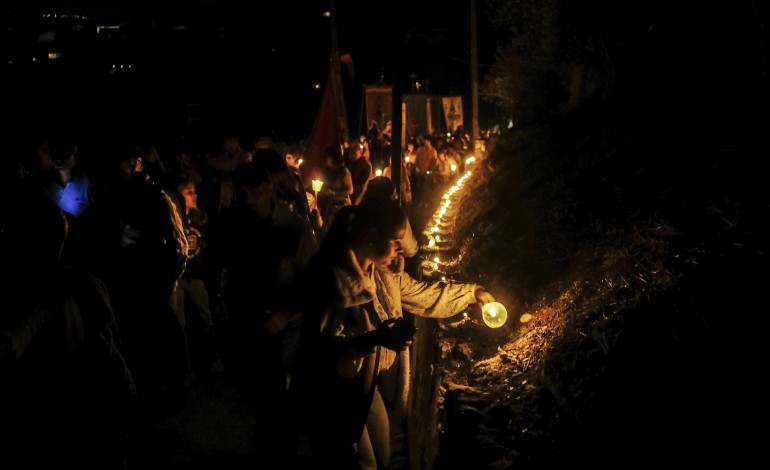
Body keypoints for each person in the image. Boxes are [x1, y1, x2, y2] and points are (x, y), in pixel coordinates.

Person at [289, 197, 496, 470]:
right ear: (372, 236)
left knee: (383, 457)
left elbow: (424, 295)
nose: (399, 251)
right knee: (359, 463)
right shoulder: (331, 280)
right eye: (395, 242)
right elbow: (320, 351)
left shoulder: (380, 277)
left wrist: (473, 293)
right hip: (330, 397)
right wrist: (375, 339)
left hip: (365, 386)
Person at [0, 178, 137, 469]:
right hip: (98, 409)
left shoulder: (45, 294)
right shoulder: (85, 283)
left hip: (73, 422)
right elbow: (111, 342)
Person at [348, 138, 373, 206]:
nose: (353, 156)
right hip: (353, 192)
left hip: (360, 192)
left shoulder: (366, 164)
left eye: (355, 154)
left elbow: (362, 180)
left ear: (361, 153)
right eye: (352, 154)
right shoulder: (353, 163)